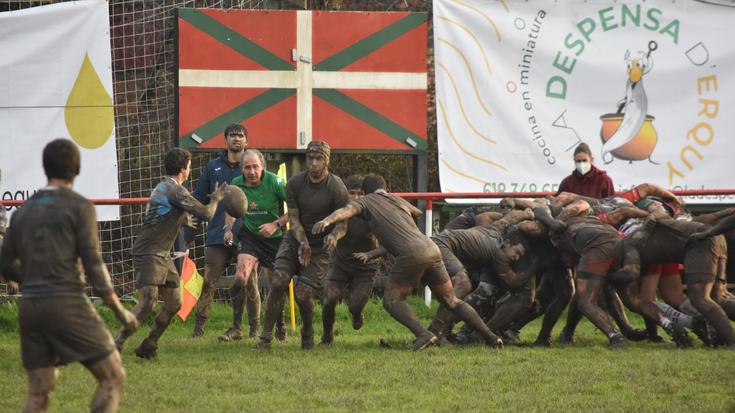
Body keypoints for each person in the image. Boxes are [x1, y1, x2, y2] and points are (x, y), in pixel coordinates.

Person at [0, 139, 138, 412]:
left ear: (45, 167)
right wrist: (122, 313)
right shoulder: (80, 207)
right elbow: (95, 266)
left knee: (38, 394)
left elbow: (4, 263)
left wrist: (33, 279)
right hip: (67, 303)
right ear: (77, 168)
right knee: (112, 376)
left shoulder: (22, 211)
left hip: (30, 308)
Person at [313, 174, 503, 350]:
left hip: (411, 254)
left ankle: (423, 334)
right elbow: (418, 212)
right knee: (451, 300)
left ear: (366, 191)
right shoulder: (396, 200)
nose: (356, 196)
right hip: (432, 248)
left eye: (359, 193)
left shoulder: (367, 201)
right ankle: (492, 338)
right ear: (384, 189)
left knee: (391, 300)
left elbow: (346, 211)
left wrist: (327, 221)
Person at [115, 148, 225, 358]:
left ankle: (149, 345)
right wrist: (217, 198)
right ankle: (115, 344)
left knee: (175, 303)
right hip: (149, 251)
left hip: (162, 254)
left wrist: (181, 218)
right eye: (189, 166)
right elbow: (207, 213)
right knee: (148, 301)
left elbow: (163, 211)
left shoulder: (164, 187)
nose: (189, 170)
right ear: (184, 168)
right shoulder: (175, 190)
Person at [254, 140, 349, 350]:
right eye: (310, 158)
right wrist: (302, 241)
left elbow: (343, 224)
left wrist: (334, 237)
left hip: (320, 246)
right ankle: (265, 337)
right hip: (295, 239)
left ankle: (307, 329)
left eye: (318, 159)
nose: (313, 163)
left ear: (326, 161)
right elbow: (293, 219)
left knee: (303, 293)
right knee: (278, 281)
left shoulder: (336, 187)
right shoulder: (295, 183)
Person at [189, 123, 262, 340]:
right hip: (216, 234)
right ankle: (198, 330)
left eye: (240, 136)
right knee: (209, 282)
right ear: (225, 140)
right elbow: (200, 198)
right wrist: (189, 232)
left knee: (250, 281)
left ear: (246, 141)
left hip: (246, 235)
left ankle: (253, 329)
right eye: (232, 135)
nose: (236, 139)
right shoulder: (213, 167)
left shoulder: (251, 166)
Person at [219, 149, 288, 341]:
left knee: (277, 284)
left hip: (274, 239)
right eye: (247, 167)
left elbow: (296, 210)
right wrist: (228, 229)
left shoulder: (275, 182)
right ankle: (236, 328)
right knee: (241, 277)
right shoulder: (236, 184)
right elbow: (231, 209)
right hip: (250, 237)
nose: (251, 171)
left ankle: (280, 325)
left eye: (255, 167)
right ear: (241, 169)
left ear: (262, 167)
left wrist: (276, 224)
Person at [320, 175, 379, 345]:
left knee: (354, 304)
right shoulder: (341, 211)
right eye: (352, 193)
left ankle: (357, 312)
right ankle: (327, 337)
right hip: (341, 262)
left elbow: (385, 237)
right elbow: (341, 229)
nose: (356, 198)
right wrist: (333, 237)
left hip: (366, 266)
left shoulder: (374, 211)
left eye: (360, 194)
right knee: (330, 298)